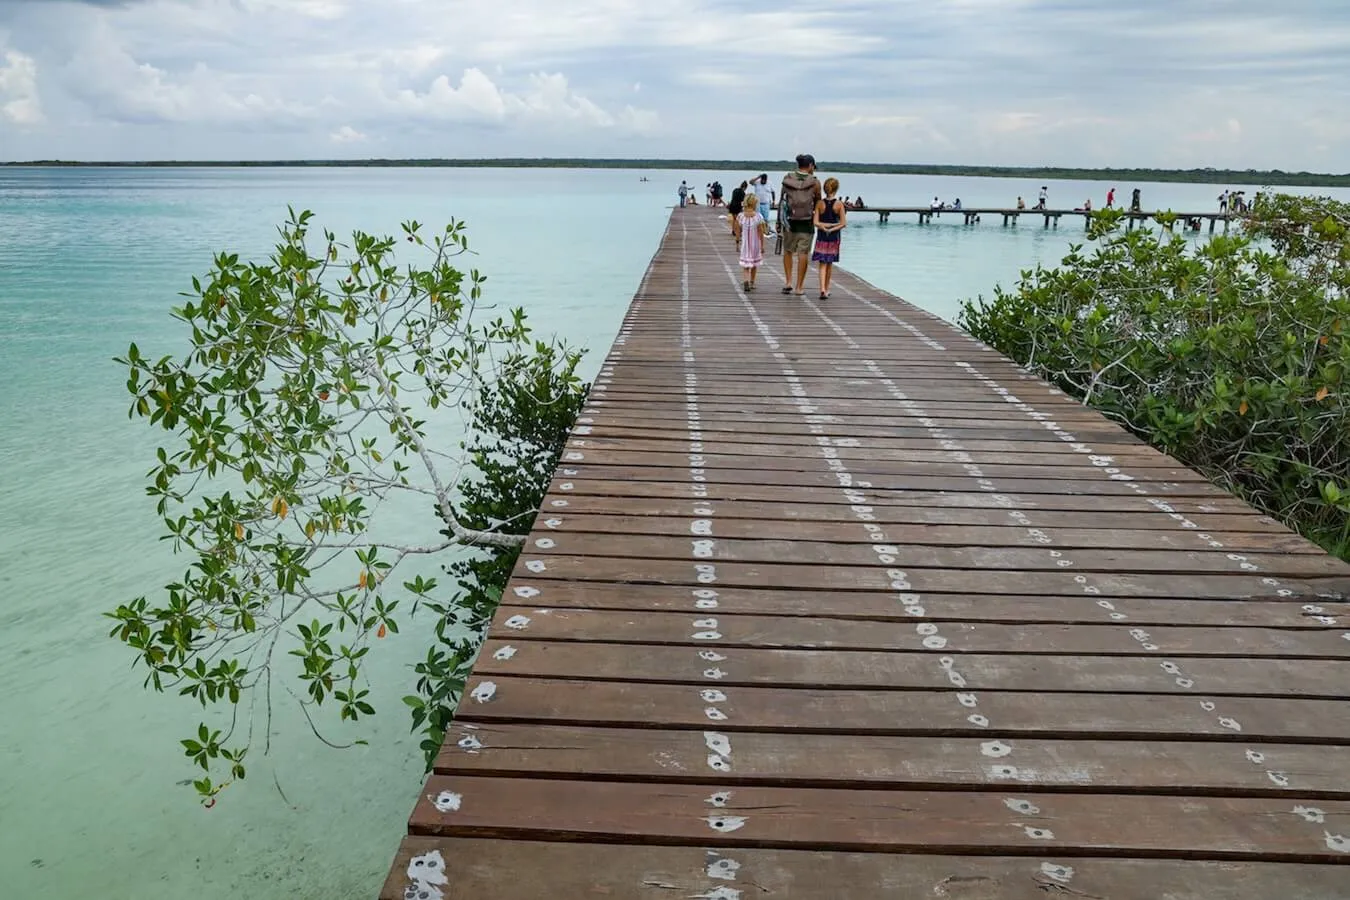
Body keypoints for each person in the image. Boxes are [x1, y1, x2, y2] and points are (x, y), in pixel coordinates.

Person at [780, 153, 821, 296]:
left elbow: (782, 201)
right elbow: (818, 202)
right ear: (810, 166)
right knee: (803, 253)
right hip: (807, 221)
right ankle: (799, 287)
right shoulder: (815, 182)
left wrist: (779, 221)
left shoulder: (788, 179)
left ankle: (788, 282)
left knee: (788, 250)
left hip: (789, 220)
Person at [812, 177, 846, 300]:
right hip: (833, 237)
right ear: (836, 189)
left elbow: (815, 222)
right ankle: (826, 289)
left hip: (821, 236)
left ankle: (822, 289)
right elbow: (843, 223)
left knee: (822, 263)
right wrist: (832, 227)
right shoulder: (839, 204)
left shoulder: (819, 203)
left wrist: (823, 226)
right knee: (829, 263)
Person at [734, 193, 768, 292]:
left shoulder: (740, 216)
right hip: (755, 244)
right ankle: (752, 282)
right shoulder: (758, 217)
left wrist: (737, 242)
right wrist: (762, 246)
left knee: (746, 265)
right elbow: (761, 233)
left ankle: (746, 280)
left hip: (745, 245)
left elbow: (737, 231)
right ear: (754, 204)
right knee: (754, 264)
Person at [727, 181, 747, 246]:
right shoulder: (743, 193)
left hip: (732, 205)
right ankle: (736, 232)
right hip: (737, 207)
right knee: (737, 220)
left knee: (734, 219)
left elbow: (732, 198)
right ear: (745, 187)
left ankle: (733, 230)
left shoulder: (735, 190)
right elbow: (743, 201)